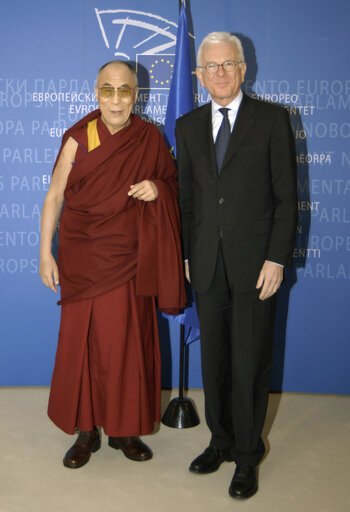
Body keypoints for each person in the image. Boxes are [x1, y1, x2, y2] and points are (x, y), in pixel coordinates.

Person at [39, 60, 185, 468]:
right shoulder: (77, 139)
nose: (116, 99)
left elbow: (173, 185)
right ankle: (87, 431)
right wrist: (43, 251)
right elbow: (54, 196)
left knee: (127, 343)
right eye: (108, 89)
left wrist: (157, 188)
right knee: (84, 346)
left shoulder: (149, 138)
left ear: (136, 96)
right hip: (83, 257)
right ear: (96, 92)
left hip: (129, 259)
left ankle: (125, 429)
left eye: (125, 91)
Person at [176, 32, 297, 499]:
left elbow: (288, 200)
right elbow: (188, 200)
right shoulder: (187, 127)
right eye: (211, 66)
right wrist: (188, 253)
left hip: (256, 267)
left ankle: (247, 457)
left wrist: (275, 258)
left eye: (229, 64)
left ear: (244, 69)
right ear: (199, 74)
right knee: (215, 363)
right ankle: (220, 441)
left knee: (249, 364)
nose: (220, 73)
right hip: (206, 265)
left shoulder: (272, 120)